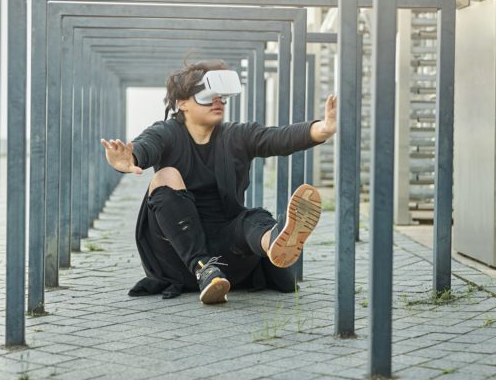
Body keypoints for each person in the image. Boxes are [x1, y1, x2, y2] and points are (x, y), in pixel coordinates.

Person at [100, 59, 337, 304]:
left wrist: (323, 129)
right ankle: (204, 268)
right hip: (177, 257)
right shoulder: (167, 133)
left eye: (221, 96)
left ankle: (276, 242)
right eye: (206, 95)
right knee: (165, 175)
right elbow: (146, 146)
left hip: (227, 257)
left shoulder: (236, 136)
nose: (217, 101)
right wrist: (130, 157)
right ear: (182, 103)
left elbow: (277, 137)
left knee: (252, 218)